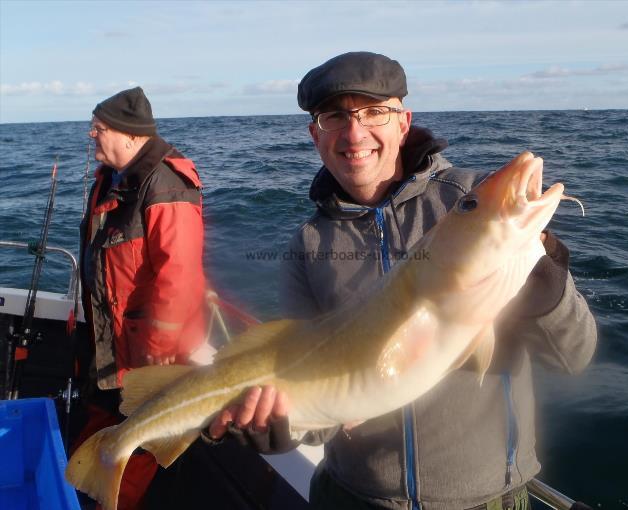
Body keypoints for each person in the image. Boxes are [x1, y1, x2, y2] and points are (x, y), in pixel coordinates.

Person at [207, 52, 597, 510]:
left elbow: (573, 357)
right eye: (335, 117)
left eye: (375, 112)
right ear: (315, 134)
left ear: (404, 122)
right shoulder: (306, 247)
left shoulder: (466, 198)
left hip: (487, 497)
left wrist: (548, 289)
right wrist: (278, 429)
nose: (355, 134)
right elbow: (326, 410)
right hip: (350, 497)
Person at [75, 86, 207, 509]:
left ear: (130, 135)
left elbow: (179, 277)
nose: (91, 136)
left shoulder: (166, 184)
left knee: (137, 451)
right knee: (101, 423)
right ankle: (80, 490)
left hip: (148, 357)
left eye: (98, 129)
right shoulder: (109, 181)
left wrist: (159, 356)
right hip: (108, 346)